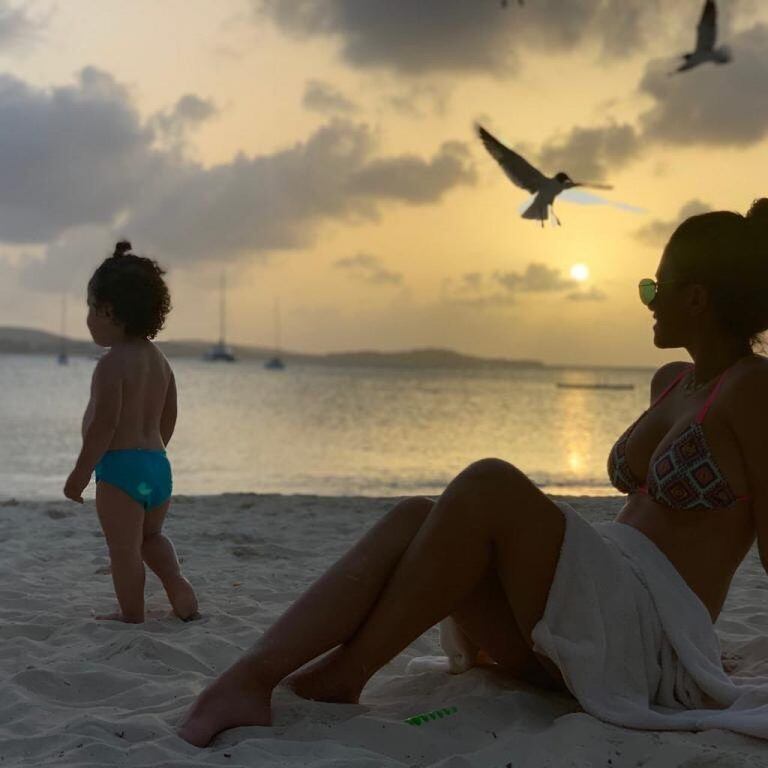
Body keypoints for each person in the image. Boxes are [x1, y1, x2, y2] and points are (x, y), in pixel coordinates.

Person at [179, 200, 768, 747]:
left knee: (489, 483)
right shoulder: (668, 381)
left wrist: (703, 653)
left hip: (649, 637)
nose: (646, 300)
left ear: (696, 298)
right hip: (591, 618)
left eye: (653, 287)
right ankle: (253, 675)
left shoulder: (753, 388)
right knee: (417, 513)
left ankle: (341, 674)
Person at [64, 240, 197, 624]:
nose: (88, 318)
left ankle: (131, 614)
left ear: (110, 312)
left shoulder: (111, 365)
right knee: (150, 538)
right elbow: (169, 415)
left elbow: (103, 426)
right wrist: (153, 453)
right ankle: (178, 586)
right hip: (157, 468)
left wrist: (80, 474)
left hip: (120, 472)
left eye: (91, 309)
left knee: (123, 548)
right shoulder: (160, 361)